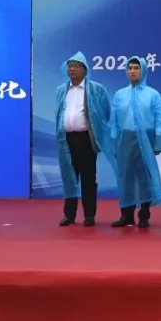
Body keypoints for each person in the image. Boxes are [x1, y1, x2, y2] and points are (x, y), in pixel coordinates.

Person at [55, 51, 114, 227]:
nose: (72, 69)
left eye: (76, 66)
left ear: (85, 70)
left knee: (88, 178)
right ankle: (69, 215)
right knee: (69, 177)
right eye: (69, 66)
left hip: (86, 140)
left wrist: (96, 131)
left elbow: (106, 112)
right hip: (66, 140)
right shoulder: (61, 90)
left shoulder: (96, 89)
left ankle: (89, 215)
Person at [108, 57, 161, 228]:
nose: (132, 71)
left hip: (146, 138)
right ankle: (126, 215)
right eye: (130, 68)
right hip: (125, 139)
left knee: (144, 177)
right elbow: (114, 121)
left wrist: (158, 142)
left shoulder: (152, 94)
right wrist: (114, 142)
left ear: (144, 71)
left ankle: (144, 215)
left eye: (136, 68)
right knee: (125, 176)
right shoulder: (120, 95)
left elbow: (160, 119)